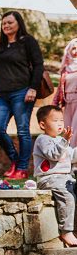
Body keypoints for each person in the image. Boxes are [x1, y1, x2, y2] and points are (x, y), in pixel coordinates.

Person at [0, 11, 44, 180]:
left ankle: (22, 168)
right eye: (4, 23)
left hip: (22, 92)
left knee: (23, 131)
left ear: (19, 23)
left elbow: (39, 65)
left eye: (10, 22)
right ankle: (15, 161)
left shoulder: (27, 41)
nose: (6, 26)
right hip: (2, 95)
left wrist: (33, 88)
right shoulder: (1, 46)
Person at [33, 105, 77, 247]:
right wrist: (65, 140)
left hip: (65, 178)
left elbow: (71, 157)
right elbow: (54, 155)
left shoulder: (60, 140)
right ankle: (66, 231)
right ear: (43, 125)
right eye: (55, 120)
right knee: (67, 197)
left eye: (61, 120)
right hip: (49, 179)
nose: (60, 124)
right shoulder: (42, 139)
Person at [53, 38, 77, 147]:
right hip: (67, 103)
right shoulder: (65, 69)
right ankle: (67, 155)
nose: (76, 51)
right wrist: (54, 104)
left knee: (75, 130)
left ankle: (74, 155)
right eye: (73, 48)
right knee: (67, 130)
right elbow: (60, 88)